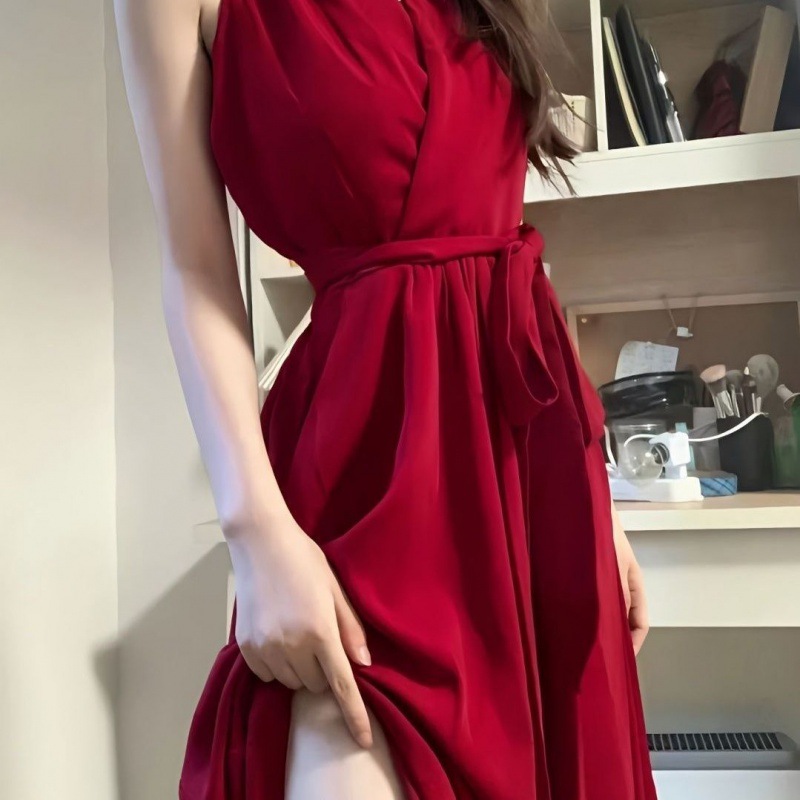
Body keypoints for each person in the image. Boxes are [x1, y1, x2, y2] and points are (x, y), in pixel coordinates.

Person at [114, 0, 658, 797]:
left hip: (529, 476)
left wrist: (593, 501)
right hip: (365, 472)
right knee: (343, 727)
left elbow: (501, 242)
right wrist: (254, 532)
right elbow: (196, 269)